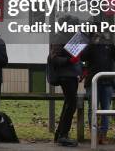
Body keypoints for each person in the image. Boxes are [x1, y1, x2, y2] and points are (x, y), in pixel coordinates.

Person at [81, 30, 115, 145]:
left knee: (105, 109)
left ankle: (103, 135)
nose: (102, 34)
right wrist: (91, 43)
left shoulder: (110, 44)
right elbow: (83, 57)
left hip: (107, 81)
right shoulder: (91, 43)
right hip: (92, 81)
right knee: (92, 109)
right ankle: (94, 133)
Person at [49, 15, 82, 147]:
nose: (76, 27)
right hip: (65, 76)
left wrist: (81, 68)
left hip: (71, 75)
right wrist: (70, 60)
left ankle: (59, 134)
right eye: (74, 25)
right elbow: (54, 58)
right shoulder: (59, 37)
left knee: (68, 104)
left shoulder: (72, 38)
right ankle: (63, 135)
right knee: (71, 105)